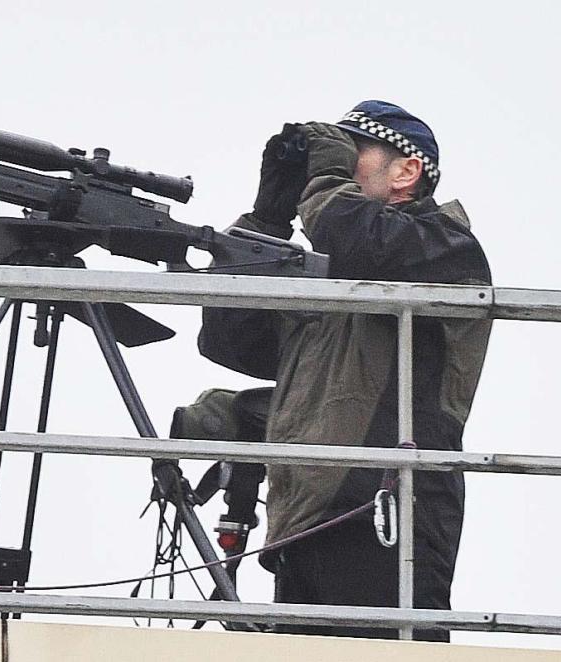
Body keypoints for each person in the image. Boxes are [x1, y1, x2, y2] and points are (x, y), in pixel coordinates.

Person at [197, 101, 492, 640]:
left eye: (350, 154)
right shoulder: (338, 274)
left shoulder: (444, 246)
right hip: (305, 522)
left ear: (407, 170)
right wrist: (266, 218)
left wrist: (326, 183)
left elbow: (359, 237)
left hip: (387, 516)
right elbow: (228, 337)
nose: (325, 169)